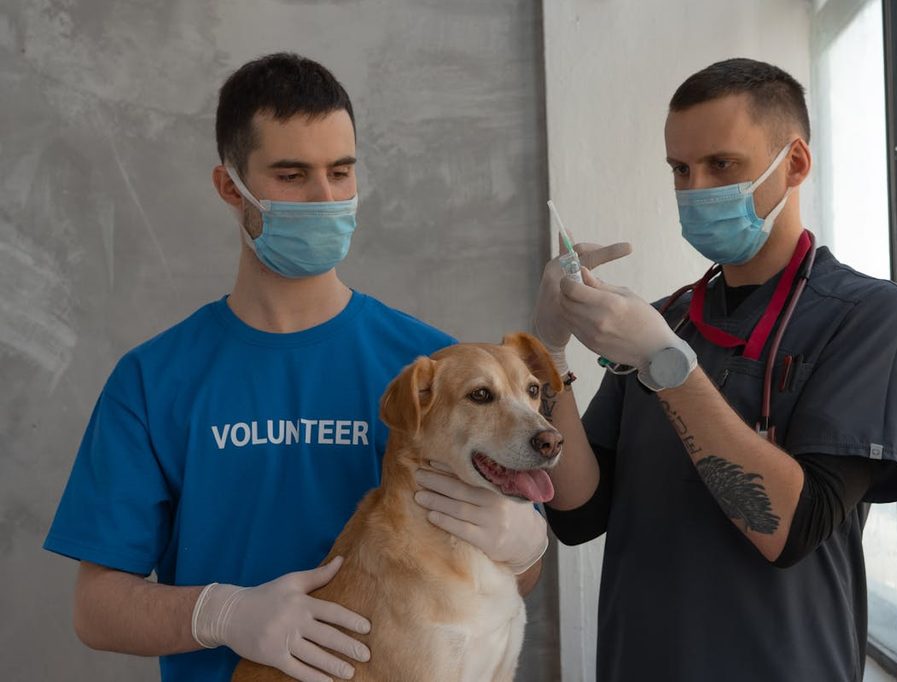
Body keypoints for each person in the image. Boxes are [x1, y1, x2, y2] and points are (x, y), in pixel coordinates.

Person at [43, 52, 549, 682]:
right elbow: (96, 610)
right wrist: (222, 613)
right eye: (292, 175)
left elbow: (498, 585)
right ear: (231, 186)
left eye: (341, 172)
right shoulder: (153, 380)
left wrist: (526, 545)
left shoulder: (440, 373)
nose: (325, 198)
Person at [533, 58, 897, 681]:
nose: (695, 191)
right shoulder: (667, 319)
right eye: (680, 170)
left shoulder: (872, 316)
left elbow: (794, 529)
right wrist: (550, 356)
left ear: (794, 164)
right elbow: (580, 513)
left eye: (722, 165)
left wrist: (667, 365)